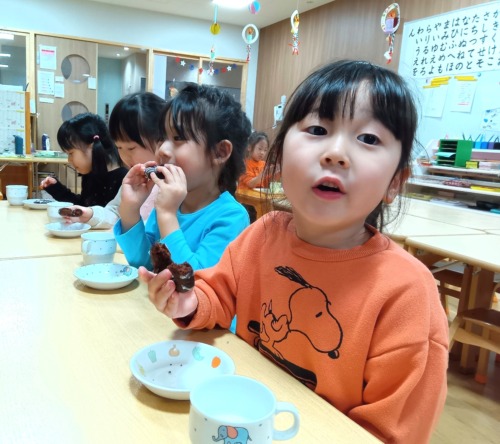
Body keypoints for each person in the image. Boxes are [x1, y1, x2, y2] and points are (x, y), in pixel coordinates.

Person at [141, 60, 449, 444]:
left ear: (395, 182)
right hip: (247, 419)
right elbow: (217, 294)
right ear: (280, 155)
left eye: (368, 139)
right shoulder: (263, 234)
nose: (336, 153)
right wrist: (189, 302)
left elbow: (391, 432)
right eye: (318, 130)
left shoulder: (407, 293)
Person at [114, 83, 252, 273]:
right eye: (161, 138)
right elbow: (144, 264)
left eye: (178, 138)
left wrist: (167, 215)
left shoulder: (231, 217)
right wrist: (130, 210)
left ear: (219, 152)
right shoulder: (168, 203)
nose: (162, 150)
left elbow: (195, 283)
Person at [57, 93, 167, 228]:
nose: (124, 156)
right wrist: (90, 214)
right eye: (119, 147)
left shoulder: (173, 184)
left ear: (161, 140)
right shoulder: (136, 177)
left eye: (131, 148)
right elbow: (115, 211)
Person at [40, 112, 128, 208]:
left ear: (91, 146)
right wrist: (56, 188)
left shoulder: (123, 178)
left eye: (71, 153)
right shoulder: (90, 173)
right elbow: (83, 206)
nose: (69, 160)